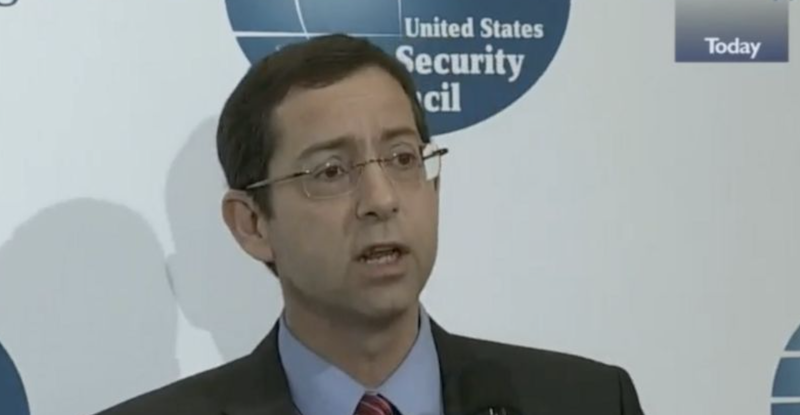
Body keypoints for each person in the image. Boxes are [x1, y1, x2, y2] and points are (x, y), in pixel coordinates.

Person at [96, 34, 645, 415]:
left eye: (403, 158)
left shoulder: (589, 403)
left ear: (434, 186)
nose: (381, 200)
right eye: (331, 171)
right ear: (251, 224)